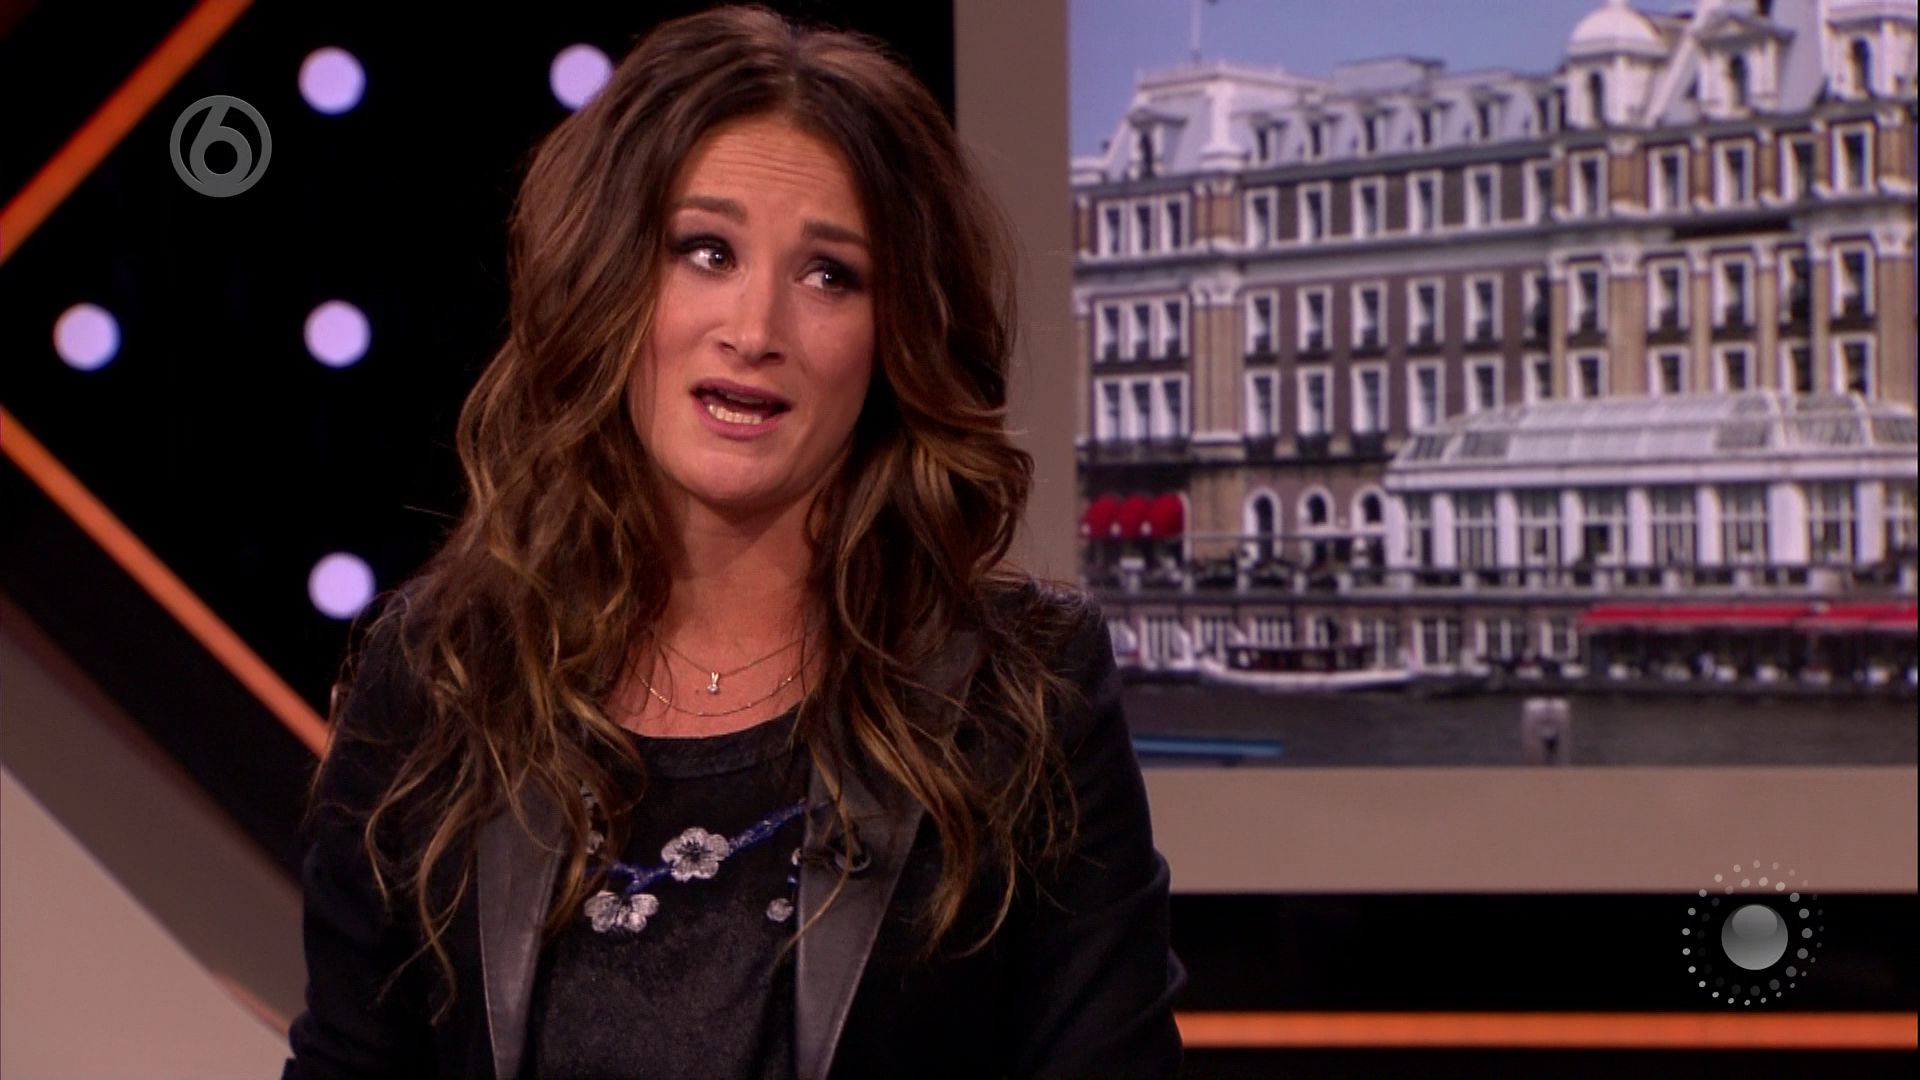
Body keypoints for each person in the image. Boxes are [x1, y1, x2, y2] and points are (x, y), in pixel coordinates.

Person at [281, 6, 1184, 1079]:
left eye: (829, 275)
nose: (756, 331)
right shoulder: (441, 677)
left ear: (896, 334)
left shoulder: (1022, 697)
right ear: (609, 279)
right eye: (705, 252)